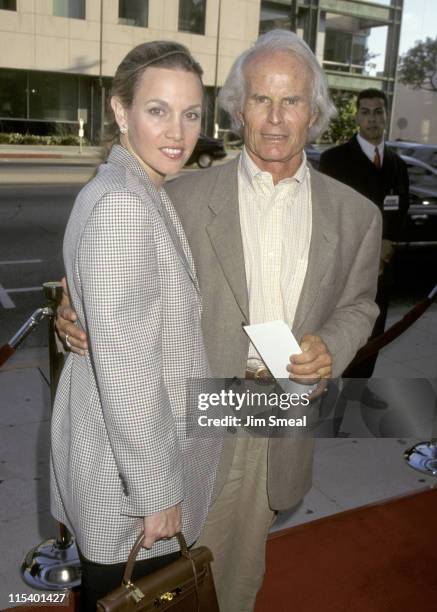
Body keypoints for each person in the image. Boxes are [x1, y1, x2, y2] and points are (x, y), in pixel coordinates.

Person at [56, 30, 382, 612]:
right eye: (261, 99)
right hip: (194, 414)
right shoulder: (175, 192)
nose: (277, 118)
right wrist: (71, 308)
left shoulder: (356, 215)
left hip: (282, 407)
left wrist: (332, 344)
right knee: (167, 581)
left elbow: (361, 304)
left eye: (293, 101)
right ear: (237, 107)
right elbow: (115, 278)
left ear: (317, 111)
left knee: (235, 579)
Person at [50, 41, 221, 611]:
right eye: (157, 110)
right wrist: (157, 492)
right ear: (121, 112)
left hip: (114, 468)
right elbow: (125, 367)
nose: (178, 130)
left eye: (191, 113)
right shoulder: (123, 204)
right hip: (129, 487)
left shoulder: (131, 186)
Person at [319, 89, 409, 383]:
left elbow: (400, 209)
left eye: (378, 111)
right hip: (347, 268)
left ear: (386, 115)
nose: (372, 118)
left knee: (375, 333)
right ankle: (330, 396)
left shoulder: (398, 164)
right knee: (342, 334)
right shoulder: (334, 160)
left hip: (383, 269)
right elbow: (330, 214)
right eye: (366, 111)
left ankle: (358, 395)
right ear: (357, 116)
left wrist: (389, 245)